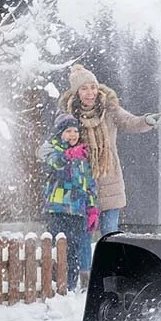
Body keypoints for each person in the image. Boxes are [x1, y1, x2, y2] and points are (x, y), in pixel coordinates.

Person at [55, 64, 161, 288]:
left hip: (109, 178)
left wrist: (147, 121)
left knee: (110, 234)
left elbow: (130, 122)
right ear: (77, 92)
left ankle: (111, 279)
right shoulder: (68, 114)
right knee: (85, 235)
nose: (90, 93)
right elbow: (60, 140)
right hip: (83, 183)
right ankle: (86, 282)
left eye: (93, 87)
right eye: (84, 88)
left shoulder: (110, 109)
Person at [42, 113, 99, 292]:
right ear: (60, 133)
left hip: (77, 211)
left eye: (75, 131)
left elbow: (89, 184)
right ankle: (52, 285)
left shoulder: (82, 156)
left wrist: (92, 209)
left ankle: (70, 286)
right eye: (68, 131)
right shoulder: (53, 150)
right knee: (56, 250)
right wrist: (68, 155)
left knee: (74, 250)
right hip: (57, 210)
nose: (73, 135)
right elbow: (55, 164)